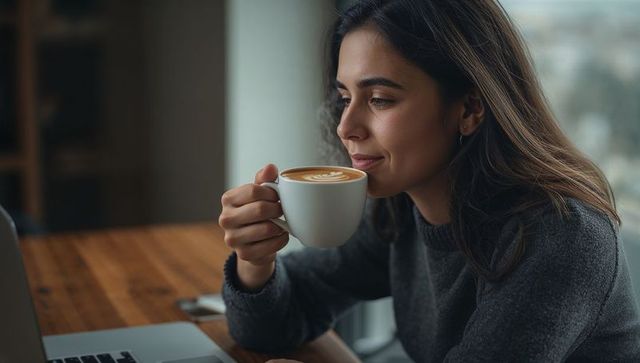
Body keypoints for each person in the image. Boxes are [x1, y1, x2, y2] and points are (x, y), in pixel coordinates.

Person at [217, 0, 640, 361]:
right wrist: (256, 261)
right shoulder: (399, 209)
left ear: (471, 108)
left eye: (380, 99)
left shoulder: (561, 238)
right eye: (345, 98)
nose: (346, 126)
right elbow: (276, 322)